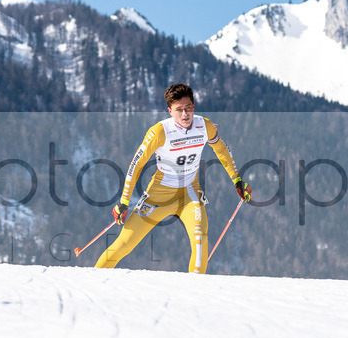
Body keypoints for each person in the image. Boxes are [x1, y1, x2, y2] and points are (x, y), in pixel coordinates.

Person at [94, 83, 251, 273]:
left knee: (200, 243)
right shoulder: (159, 132)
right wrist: (124, 201)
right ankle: (91, 281)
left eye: (188, 108)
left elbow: (221, 150)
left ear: (193, 106)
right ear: (170, 111)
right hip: (158, 195)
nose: (185, 114)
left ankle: (194, 294)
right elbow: (136, 165)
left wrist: (237, 180)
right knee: (124, 244)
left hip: (189, 193)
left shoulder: (205, 126)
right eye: (179, 110)